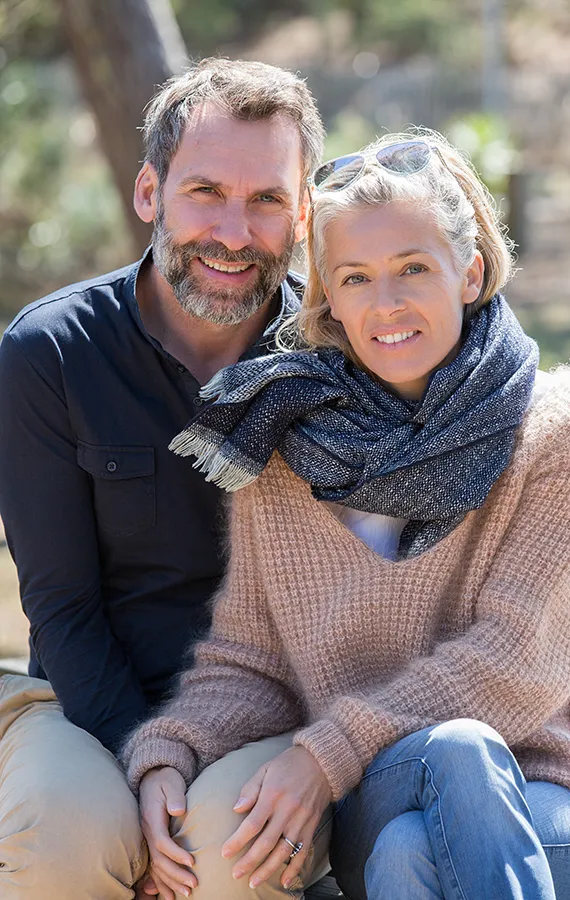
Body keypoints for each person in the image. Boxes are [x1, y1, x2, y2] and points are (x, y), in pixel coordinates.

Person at [122, 130, 570, 900]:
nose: (387, 303)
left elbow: (514, 657)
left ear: (470, 272)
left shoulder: (561, 429)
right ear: (330, 302)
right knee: (435, 782)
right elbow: (252, 662)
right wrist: (172, 751)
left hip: (547, 790)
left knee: (421, 833)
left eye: (413, 268)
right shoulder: (284, 449)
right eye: (356, 277)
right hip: (377, 785)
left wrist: (324, 756)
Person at [0, 58, 329, 900]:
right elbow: (62, 608)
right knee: (60, 837)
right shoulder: (49, 354)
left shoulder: (338, 356)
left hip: (269, 715)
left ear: (303, 213)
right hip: (84, 701)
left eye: (266, 200)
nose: (234, 233)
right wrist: (146, 762)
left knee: (228, 850)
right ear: (150, 192)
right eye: (205, 192)